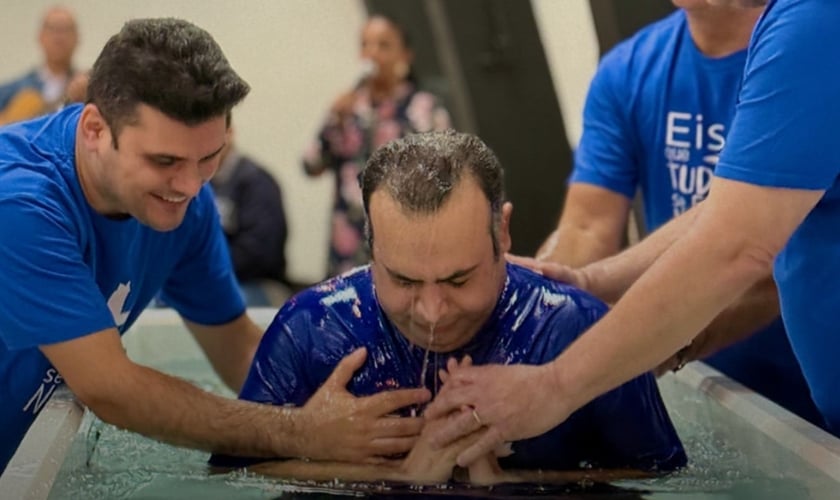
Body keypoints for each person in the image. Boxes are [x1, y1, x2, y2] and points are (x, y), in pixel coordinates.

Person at [0, 17, 431, 473]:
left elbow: (239, 349)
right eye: (164, 160)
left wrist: (369, 427)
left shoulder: (187, 204)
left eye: (209, 157)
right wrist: (303, 431)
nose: (188, 186)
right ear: (95, 130)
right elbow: (113, 389)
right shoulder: (19, 204)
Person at [423, 0, 840, 468]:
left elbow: (741, 246)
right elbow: (719, 215)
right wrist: (573, 289)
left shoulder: (812, 24)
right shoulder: (635, 69)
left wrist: (557, 384)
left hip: (783, 391)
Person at [212, 131, 686, 484]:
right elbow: (227, 479)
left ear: (502, 234)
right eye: (403, 280)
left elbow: (666, 480)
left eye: (459, 278)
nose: (433, 311)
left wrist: (508, 485)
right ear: (370, 250)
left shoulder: (577, 331)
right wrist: (382, 473)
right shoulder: (312, 330)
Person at [534, 1, 823, 426]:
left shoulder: (810, 43)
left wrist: (645, 345)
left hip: (807, 381)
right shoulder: (628, 70)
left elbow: (756, 251)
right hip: (708, 388)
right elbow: (585, 226)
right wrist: (530, 315)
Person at [302, 13, 451, 279]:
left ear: (405, 55)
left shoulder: (423, 108)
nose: (372, 53)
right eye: (365, 45)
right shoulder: (347, 108)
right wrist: (334, 120)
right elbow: (310, 165)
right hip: (349, 240)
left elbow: (445, 172)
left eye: (383, 45)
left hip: (406, 235)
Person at [210, 125, 289, 306]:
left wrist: (204, 269)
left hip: (256, 283)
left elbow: (260, 254)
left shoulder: (258, 183)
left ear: (229, 133)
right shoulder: (193, 185)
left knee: (214, 303)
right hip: (205, 279)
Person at [0, 5, 80, 125]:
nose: (59, 38)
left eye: (66, 30)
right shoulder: (13, 90)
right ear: (40, 36)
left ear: (77, 38)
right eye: (52, 29)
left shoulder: (85, 87)